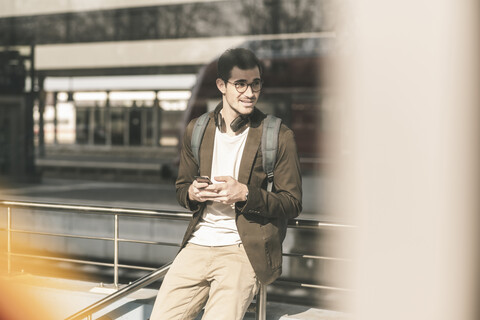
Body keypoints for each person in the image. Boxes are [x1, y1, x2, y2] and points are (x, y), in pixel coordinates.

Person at [150, 48, 302, 320]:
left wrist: (245, 193)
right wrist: (193, 193)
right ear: (221, 85)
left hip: (242, 250)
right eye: (240, 84)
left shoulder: (278, 135)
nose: (250, 92)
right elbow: (181, 189)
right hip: (196, 245)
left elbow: (292, 202)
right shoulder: (196, 130)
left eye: (255, 83)